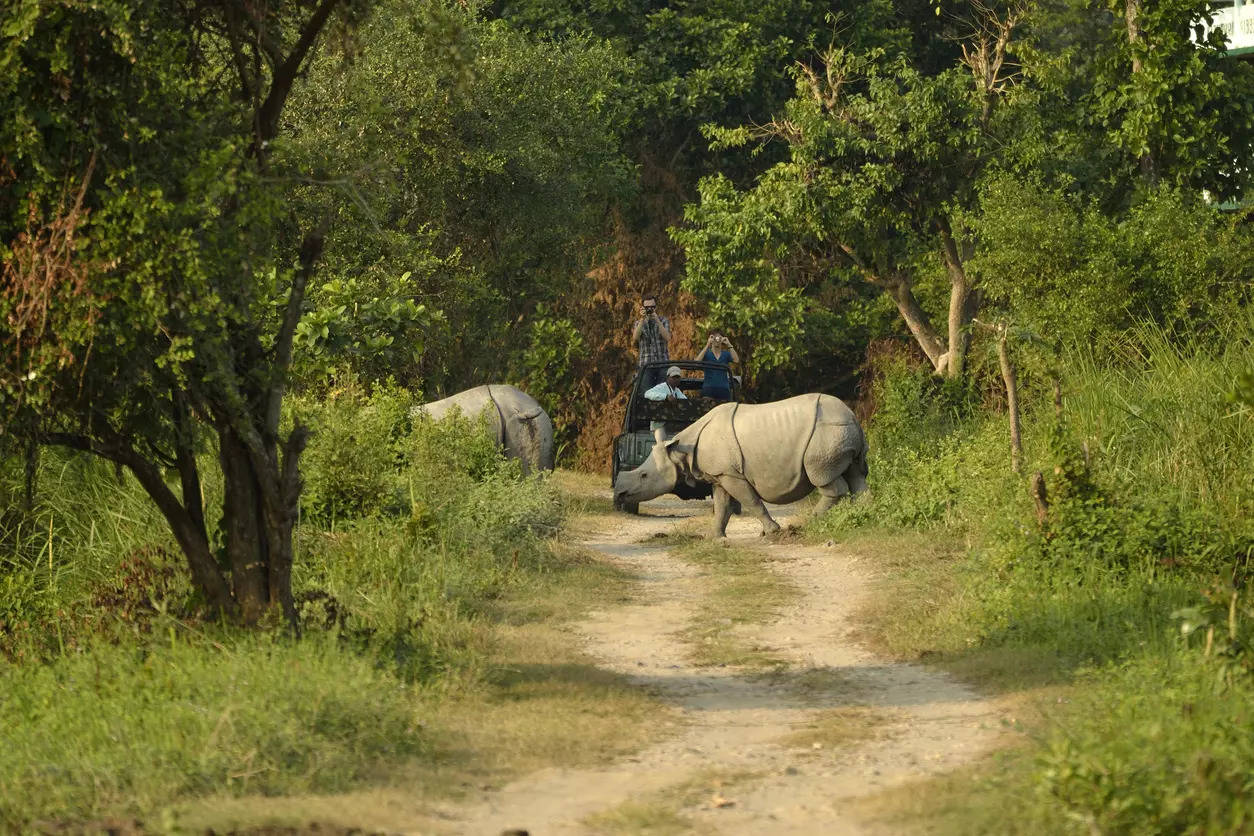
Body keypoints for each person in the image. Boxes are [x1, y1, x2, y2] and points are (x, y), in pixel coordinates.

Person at [631, 293, 671, 389]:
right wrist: (642, 319)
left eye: (652, 307)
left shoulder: (663, 320)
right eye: (647, 307)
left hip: (662, 363)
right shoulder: (638, 323)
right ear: (642, 308)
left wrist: (657, 320)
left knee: (662, 393)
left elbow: (668, 338)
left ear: (656, 307)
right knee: (646, 394)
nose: (650, 310)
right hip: (646, 364)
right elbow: (635, 338)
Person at [695, 329, 739, 401]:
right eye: (714, 337)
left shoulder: (726, 354)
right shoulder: (706, 353)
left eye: (719, 338)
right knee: (708, 409)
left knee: (725, 411)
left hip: (724, 389)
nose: (717, 339)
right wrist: (707, 345)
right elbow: (696, 362)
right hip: (708, 389)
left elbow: (736, 360)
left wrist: (729, 344)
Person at [644, 365, 687, 433]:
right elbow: (647, 394)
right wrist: (666, 397)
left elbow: (685, 400)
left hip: (671, 427)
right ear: (667, 378)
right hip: (658, 427)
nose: (676, 379)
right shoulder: (662, 387)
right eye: (673, 377)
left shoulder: (677, 391)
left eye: (678, 377)